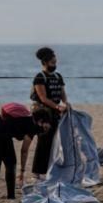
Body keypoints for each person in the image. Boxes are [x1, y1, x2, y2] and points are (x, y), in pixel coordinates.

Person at [0, 104, 53, 199]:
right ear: (40, 121)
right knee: (11, 163)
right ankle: (11, 196)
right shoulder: (33, 127)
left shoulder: (27, 118)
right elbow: (24, 150)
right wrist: (22, 172)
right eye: (46, 124)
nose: (47, 127)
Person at [30, 47, 70, 180]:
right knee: (44, 141)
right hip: (43, 113)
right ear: (45, 62)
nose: (54, 64)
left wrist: (66, 103)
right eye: (52, 63)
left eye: (55, 62)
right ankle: (38, 171)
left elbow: (62, 92)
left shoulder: (58, 76)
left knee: (54, 141)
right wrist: (58, 107)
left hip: (55, 112)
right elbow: (43, 98)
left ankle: (49, 168)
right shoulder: (40, 77)